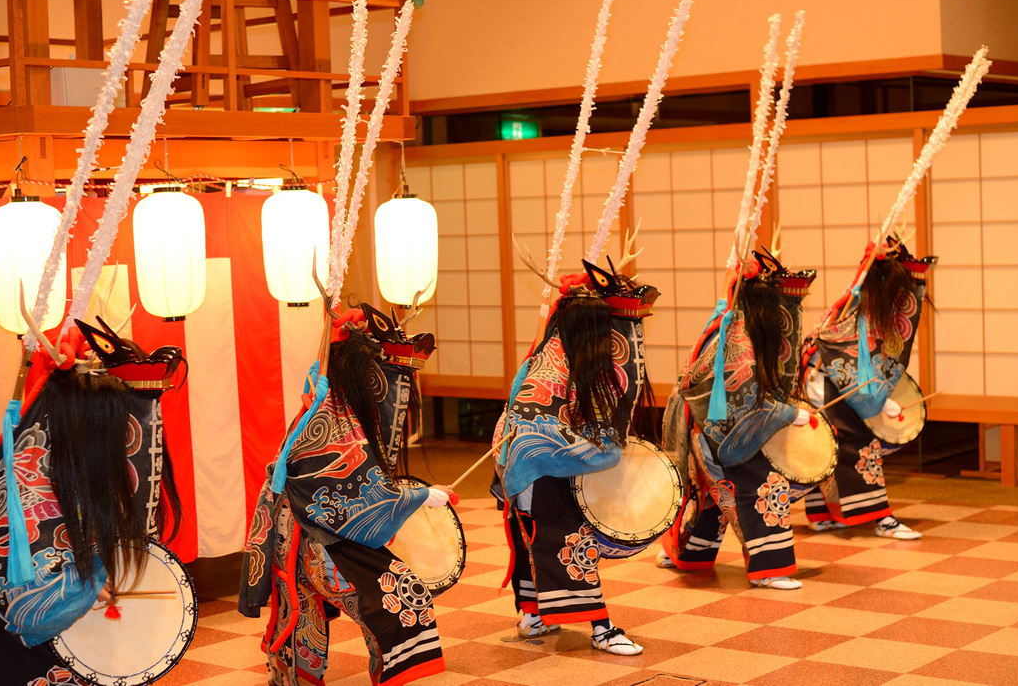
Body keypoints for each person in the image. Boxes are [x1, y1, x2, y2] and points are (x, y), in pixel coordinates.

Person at [0, 317, 185, 686]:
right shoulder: (20, 481)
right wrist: (85, 583)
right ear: (87, 421)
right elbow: (23, 597)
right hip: (23, 641)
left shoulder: (83, 464)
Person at [239, 302, 453, 686]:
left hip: (327, 523)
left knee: (311, 606)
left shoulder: (341, 405)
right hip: (310, 530)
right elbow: (356, 490)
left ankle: (295, 670)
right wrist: (418, 497)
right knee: (399, 596)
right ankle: (295, 671)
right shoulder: (329, 414)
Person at [491, 259, 659, 656]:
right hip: (534, 469)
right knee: (567, 539)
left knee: (536, 540)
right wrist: (604, 452)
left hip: (539, 468)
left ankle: (535, 614)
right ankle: (601, 628)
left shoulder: (564, 353)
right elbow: (543, 433)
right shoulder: (548, 368)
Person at [658, 251, 816, 590]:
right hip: (716, 433)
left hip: (714, 428)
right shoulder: (737, 339)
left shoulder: (739, 325)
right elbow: (744, 406)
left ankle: (688, 553)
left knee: (714, 497)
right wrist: (787, 413)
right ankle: (768, 569)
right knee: (765, 482)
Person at [800, 239, 936, 539]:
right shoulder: (856, 307)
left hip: (832, 378)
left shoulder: (864, 304)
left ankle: (822, 514)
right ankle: (882, 519)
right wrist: (876, 400)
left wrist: (881, 395)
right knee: (857, 442)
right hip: (825, 378)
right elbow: (845, 360)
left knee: (833, 443)